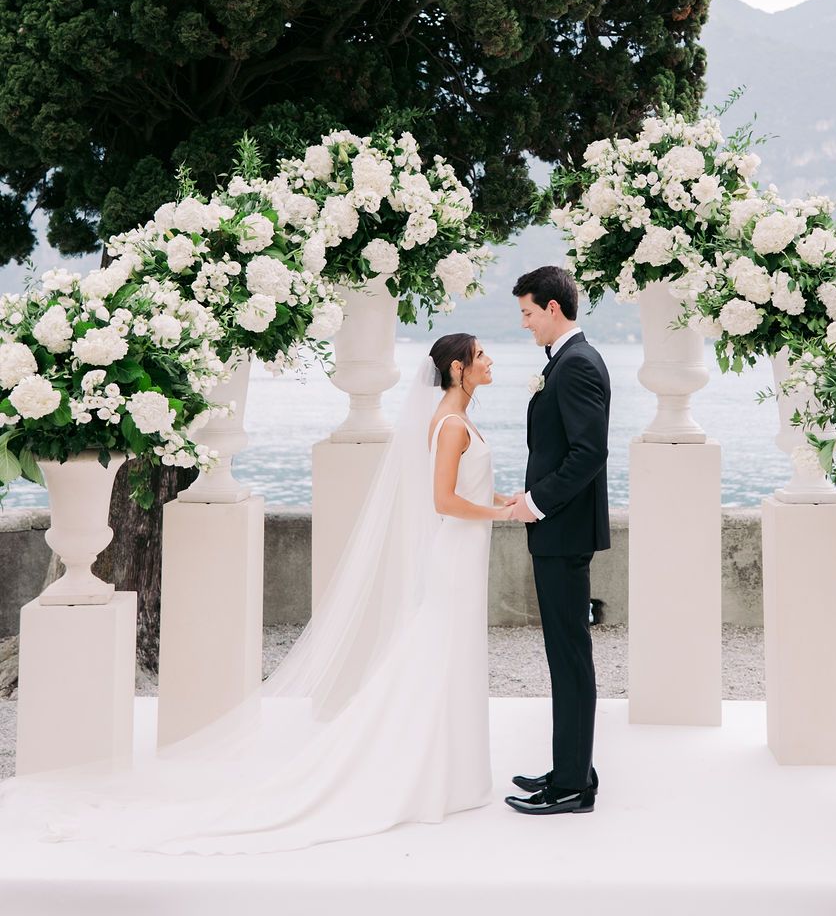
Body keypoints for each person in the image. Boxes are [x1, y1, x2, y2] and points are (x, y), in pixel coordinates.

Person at [2, 334, 515, 853]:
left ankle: (454, 771)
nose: (490, 361)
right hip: (456, 554)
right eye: (481, 356)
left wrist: (499, 498)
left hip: (465, 552)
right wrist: (503, 513)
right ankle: (434, 772)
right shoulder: (449, 424)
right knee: (439, 653)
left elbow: (466, 487)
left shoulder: (458, 418)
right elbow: (444, 501)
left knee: (453, 656)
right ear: (458, 369)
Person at [504, 266, 611, 817]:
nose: (524, 324)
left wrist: (536, 502)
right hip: (557, 532)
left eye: (527, 313)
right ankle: (571, 770)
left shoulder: (576, 366)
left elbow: (589, 454)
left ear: (552, 308)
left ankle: (573, 786)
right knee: (565, 656)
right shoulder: (568, 362)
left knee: (570, 658)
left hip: (562, 532)